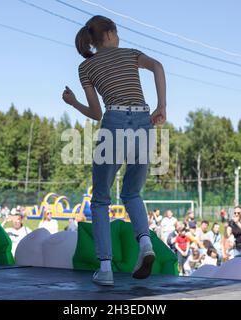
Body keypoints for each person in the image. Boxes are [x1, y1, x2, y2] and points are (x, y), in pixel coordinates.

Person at [63, 15, 166, 286]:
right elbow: (157, 66)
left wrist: (73, 102)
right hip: (144, 121)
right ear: (109, 34)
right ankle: (145, 243)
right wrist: (161, 106)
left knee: (100, 199)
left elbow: (96, 114)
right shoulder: (131, 54)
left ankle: (106, 269)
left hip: (115, 122)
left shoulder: (86, 67)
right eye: (117, 33)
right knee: (132, 192)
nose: (118, 38)